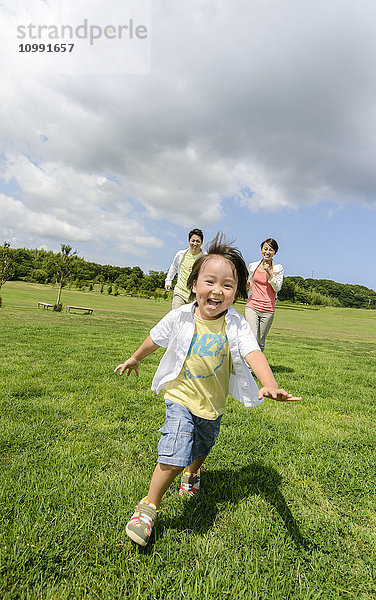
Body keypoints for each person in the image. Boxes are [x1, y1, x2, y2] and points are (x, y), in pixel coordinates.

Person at [115, 233, 301, 547]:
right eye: (209, 282)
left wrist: (269, 384)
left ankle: (193, 472)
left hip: (212, 406)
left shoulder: (237, 325)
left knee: (200, 449)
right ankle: (148, 507)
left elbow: (253, 353)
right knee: (174, 453)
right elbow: (155, 338)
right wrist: (135, 357)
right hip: (180, 397)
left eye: (227, 285)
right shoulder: (180, 316)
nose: (217, 291)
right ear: (194, 284)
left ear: (237, 292)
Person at [245, 238, 284, 353]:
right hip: (252, 305)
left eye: (271, 250)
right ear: (261, 250)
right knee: (252, 337)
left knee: (261, 341)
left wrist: (269, 273)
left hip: (268, 308)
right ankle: (248, 368)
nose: (267, 252)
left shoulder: (278, 268)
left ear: (275, 253)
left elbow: (277, 288)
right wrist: (246, 285)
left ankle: (257, 366)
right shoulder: (253, 266)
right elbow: (248, 285)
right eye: (265, 249)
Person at [165, 228, 204, 309]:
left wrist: (198, 271)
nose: (195, 243)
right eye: (193, 241)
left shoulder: (205, 258)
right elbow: (174, 266)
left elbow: (210, 274)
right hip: (180, 293)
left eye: (198, 241)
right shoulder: (181, 254)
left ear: (201, 243)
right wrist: (168, 281)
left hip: (196, 296)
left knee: (191, 320)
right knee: (176, 317)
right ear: (189, 241)